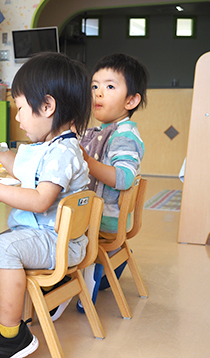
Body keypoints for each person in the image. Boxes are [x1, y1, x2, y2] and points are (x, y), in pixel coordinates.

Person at [0, 52, 92, 358]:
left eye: (20, 108)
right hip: (55, 236)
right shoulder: (53, 146)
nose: (17, 117)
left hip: (57, 240)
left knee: (2, 249)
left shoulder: (62, 152)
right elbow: (25, 171)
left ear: (47, 106)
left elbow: (40, 200)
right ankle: (41, 293)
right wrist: (0, 153)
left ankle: (12, 335)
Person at [76, 53, 149, 313]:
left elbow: (123, 177)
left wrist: (87, 160)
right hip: (105, 217)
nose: (98, 93)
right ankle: (109, 268)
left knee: (56, 225)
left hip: (102, 222)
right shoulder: (97, 130)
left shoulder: (125, 134)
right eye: (94, 86)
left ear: (131, 100)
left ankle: (81, 278)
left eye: (109, 87)